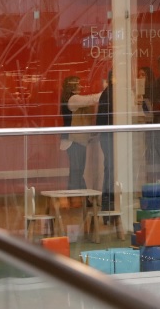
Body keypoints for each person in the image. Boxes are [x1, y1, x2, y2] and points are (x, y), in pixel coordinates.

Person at [62, 76, 103, 190]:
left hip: (77, 140)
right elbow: (91, 100)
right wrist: (106, 92)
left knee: (77, 170)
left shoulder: (71, 99)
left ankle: (80, 195)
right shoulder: (73, 99)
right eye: (78, 84)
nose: (80, 86)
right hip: (74, 140)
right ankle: (76, 195)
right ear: (72, 86)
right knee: (77, 171)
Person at [97, 69, 115, 211]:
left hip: (107, 134)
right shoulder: (111, 94)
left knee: (110, 165)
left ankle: (107, 198)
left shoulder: (108, 93)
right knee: (111, 166)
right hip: (109, 134)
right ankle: (108, 197)